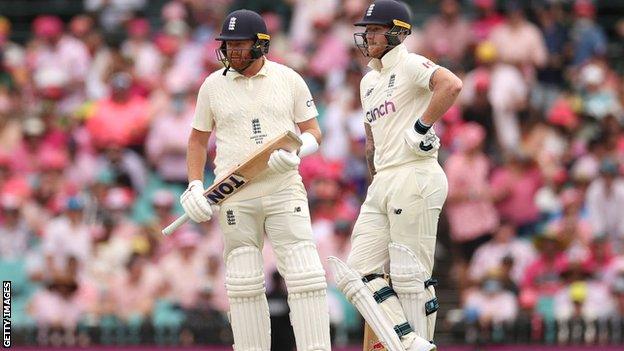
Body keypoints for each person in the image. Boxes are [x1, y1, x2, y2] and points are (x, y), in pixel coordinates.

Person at [178, 9, 331, 351]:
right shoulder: (212, 85)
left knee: (305, 275)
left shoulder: (288, 78)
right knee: (243, 281)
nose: (231, 51)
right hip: (235, 193)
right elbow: (197, 139)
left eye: (239, 44)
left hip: (283, 188)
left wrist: (296, 153)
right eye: (227, 44)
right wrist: (193, 184)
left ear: (261, 44)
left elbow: (314, 132)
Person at [329, 1, 462, 351]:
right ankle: (406, 338)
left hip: (415, 174)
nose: (368, 36)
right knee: (356, 271)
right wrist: (375, 181)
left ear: (398, 32)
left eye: (375, 29)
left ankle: (418, 343)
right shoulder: (368, 81)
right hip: (384, 181)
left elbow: (451, 85)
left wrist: (421, 127)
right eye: (367, 30)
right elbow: (371, 139)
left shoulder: (411, 62)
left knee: (411, 272)